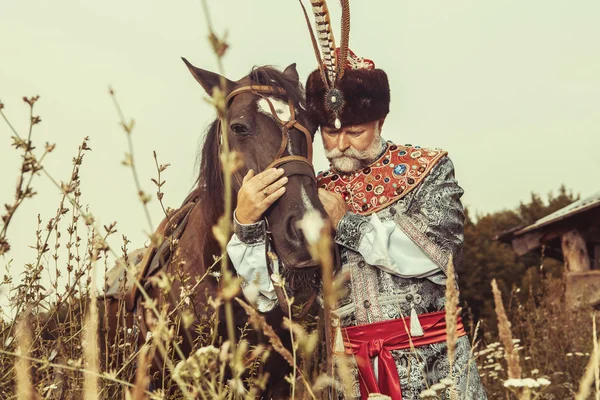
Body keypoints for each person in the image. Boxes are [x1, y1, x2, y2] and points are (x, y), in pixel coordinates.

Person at [227, 3, 487, 398]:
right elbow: (276, 296)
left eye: (355, 130)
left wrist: (346, 221)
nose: (341, 143)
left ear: (381, 121)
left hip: (434, 368)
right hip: (350, 379)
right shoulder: (311, 194)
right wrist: (246, 226)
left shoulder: (429, 168)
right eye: (330, 134)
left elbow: (439, 255)